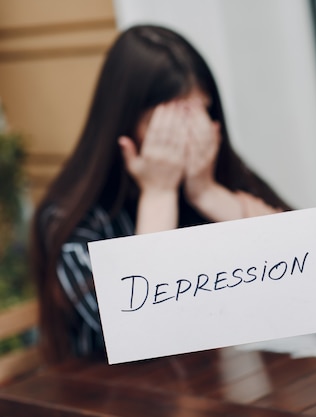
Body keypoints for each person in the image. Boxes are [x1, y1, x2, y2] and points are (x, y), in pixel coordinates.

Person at [30, 25, 290, 364]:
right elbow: (140, 331)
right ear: (124, 125)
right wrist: (158, 194)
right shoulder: (69, 220)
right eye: (169, 123)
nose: (189, 136)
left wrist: (208, 193)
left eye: (200, 114)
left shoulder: (213, 176)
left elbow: (304, 261)